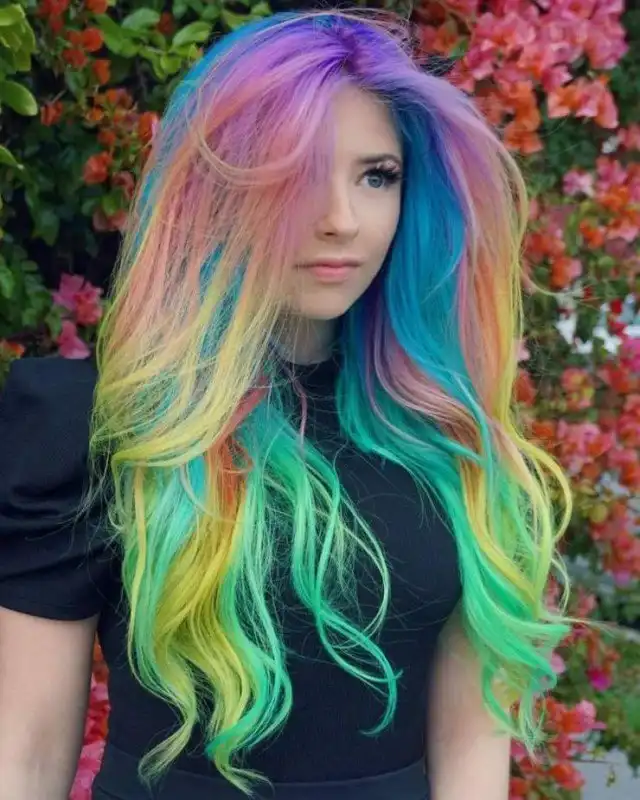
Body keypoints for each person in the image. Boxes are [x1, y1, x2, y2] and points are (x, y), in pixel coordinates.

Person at [0, 10, 575, 800]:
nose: (341, 220)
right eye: (297, 173)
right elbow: (25, 751)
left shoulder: (446, 436)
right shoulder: (99, 427)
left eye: (377, 175)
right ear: (217, 188)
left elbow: (473, 741)